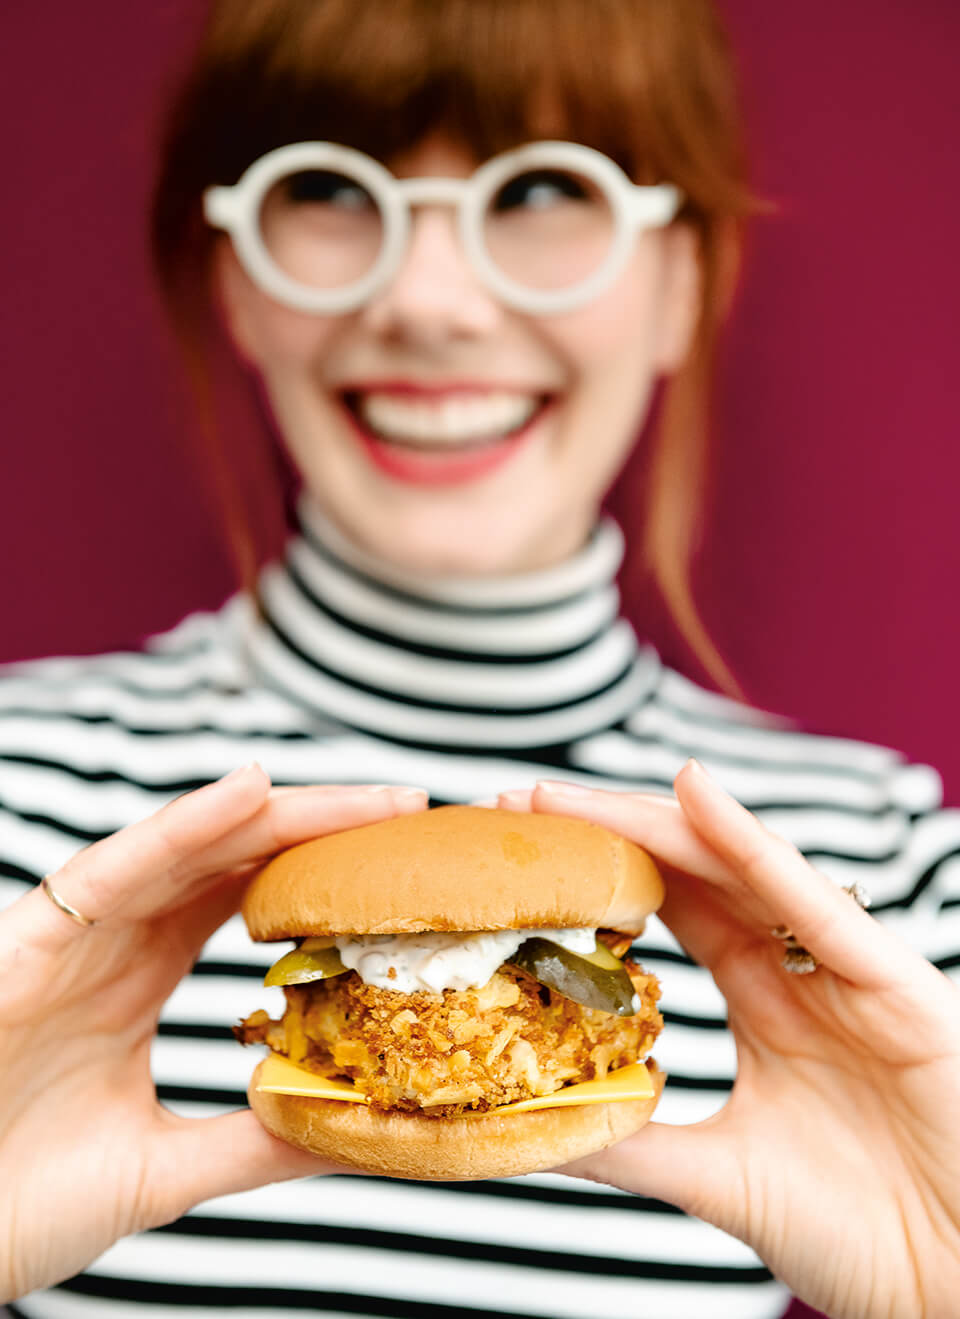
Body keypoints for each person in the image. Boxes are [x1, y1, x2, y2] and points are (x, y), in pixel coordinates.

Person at [1, 1, 958, 1317]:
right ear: (239, 280)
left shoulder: (880, 875)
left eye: (546, 189)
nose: (429, 304)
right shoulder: (14, 799)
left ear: (686, 279)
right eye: (331, 187)